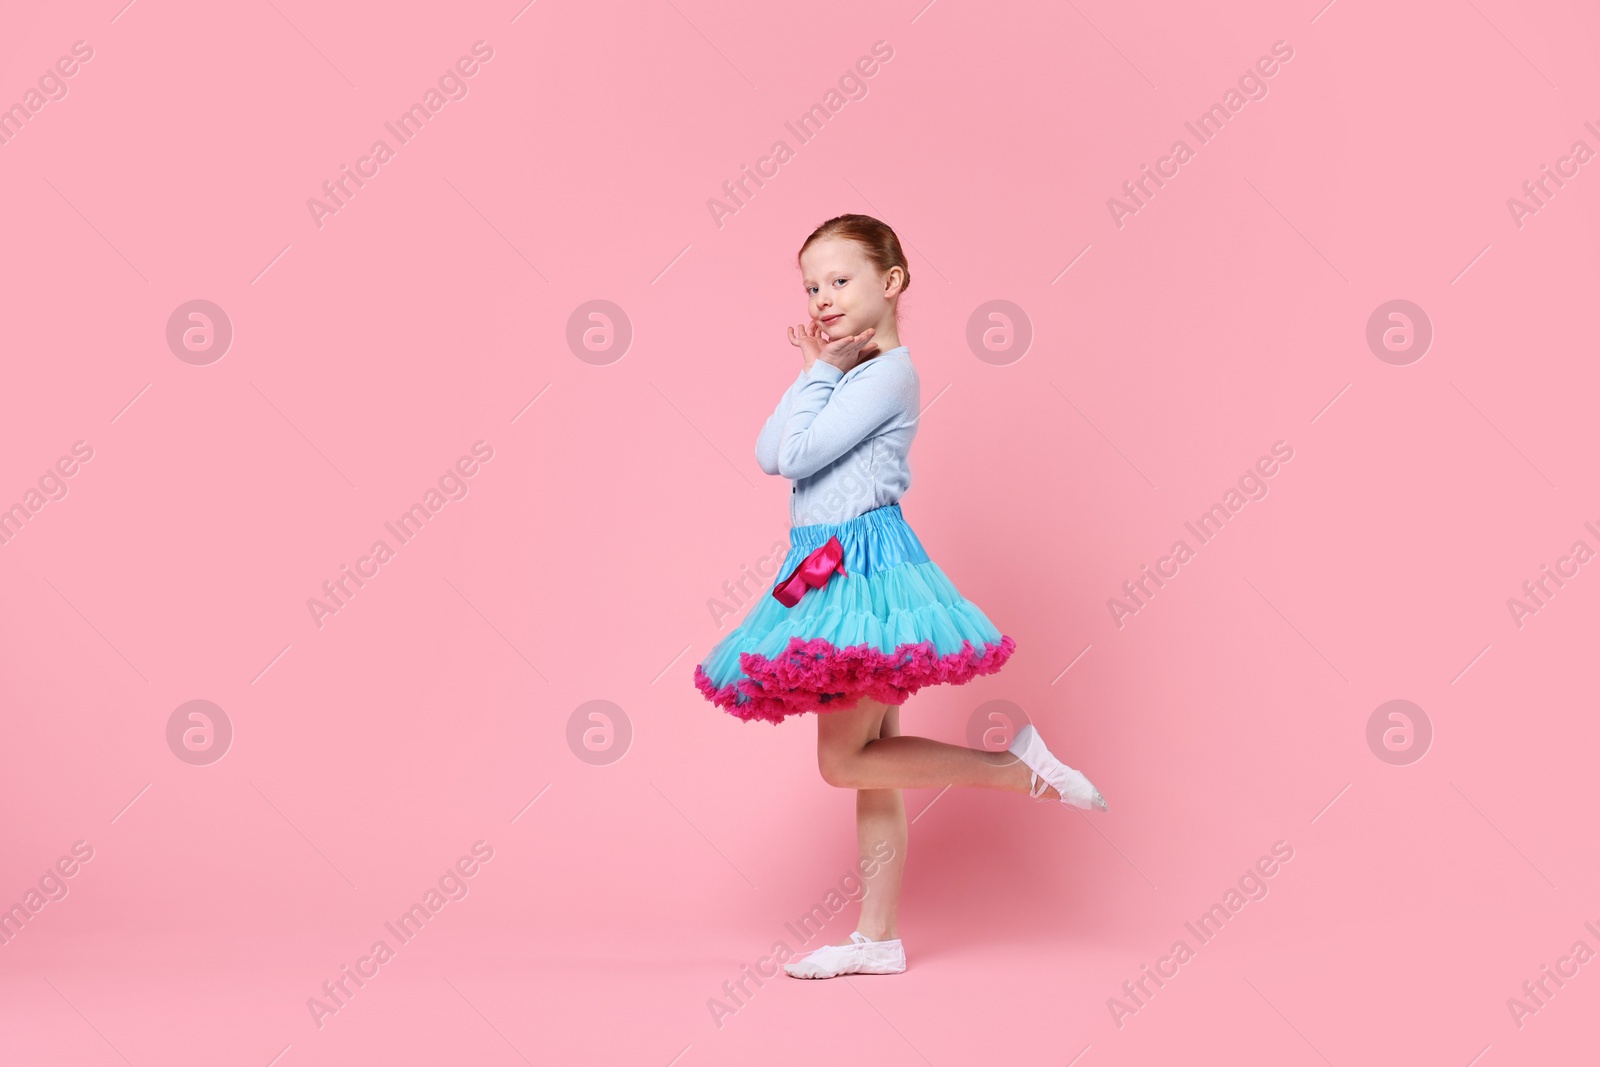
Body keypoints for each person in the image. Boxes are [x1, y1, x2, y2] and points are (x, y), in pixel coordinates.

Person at [693, 214, 1108, 980]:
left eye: (839, 280)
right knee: (873, 761)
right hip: (827, 563)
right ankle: (878, 936)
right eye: (812, 285)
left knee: (843, 761)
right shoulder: (845, 372)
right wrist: (817, 368)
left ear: (891, 283)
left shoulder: (889, 374)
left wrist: (819, 370)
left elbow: (801, 452)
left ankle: (1022, 771)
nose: (822, 297)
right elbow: (767, 451)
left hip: (861, 568)